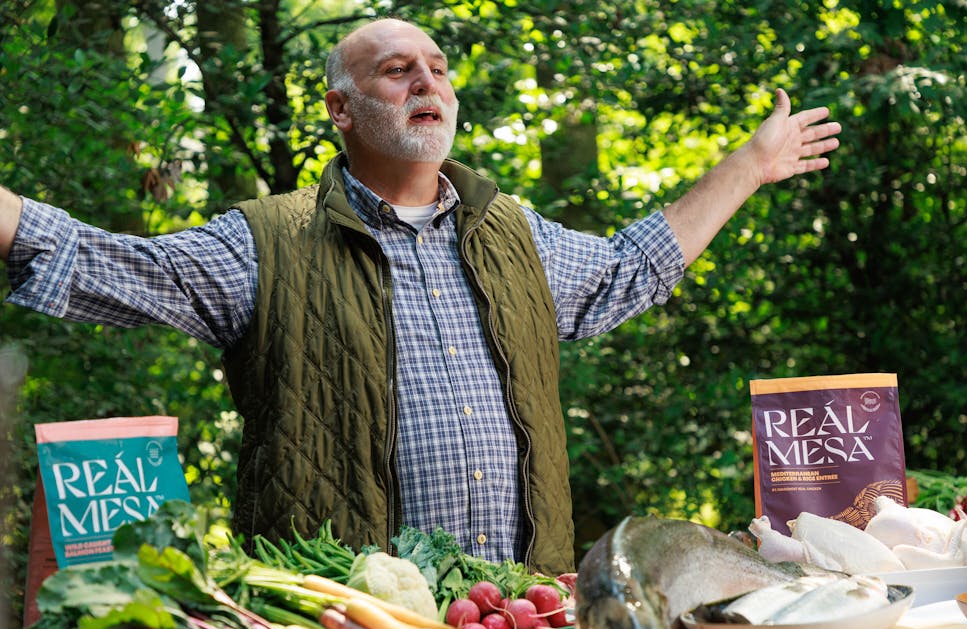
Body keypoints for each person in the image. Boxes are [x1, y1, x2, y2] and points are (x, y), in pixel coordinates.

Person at [0, 18, 840, 575]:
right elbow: (103, 263)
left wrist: (750, 167)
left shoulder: (514, 231)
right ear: (341, 108)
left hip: (515, 617)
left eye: (437, 69)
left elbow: (630, 269)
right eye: (397, 72)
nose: (426, 84)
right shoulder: (266, 243)